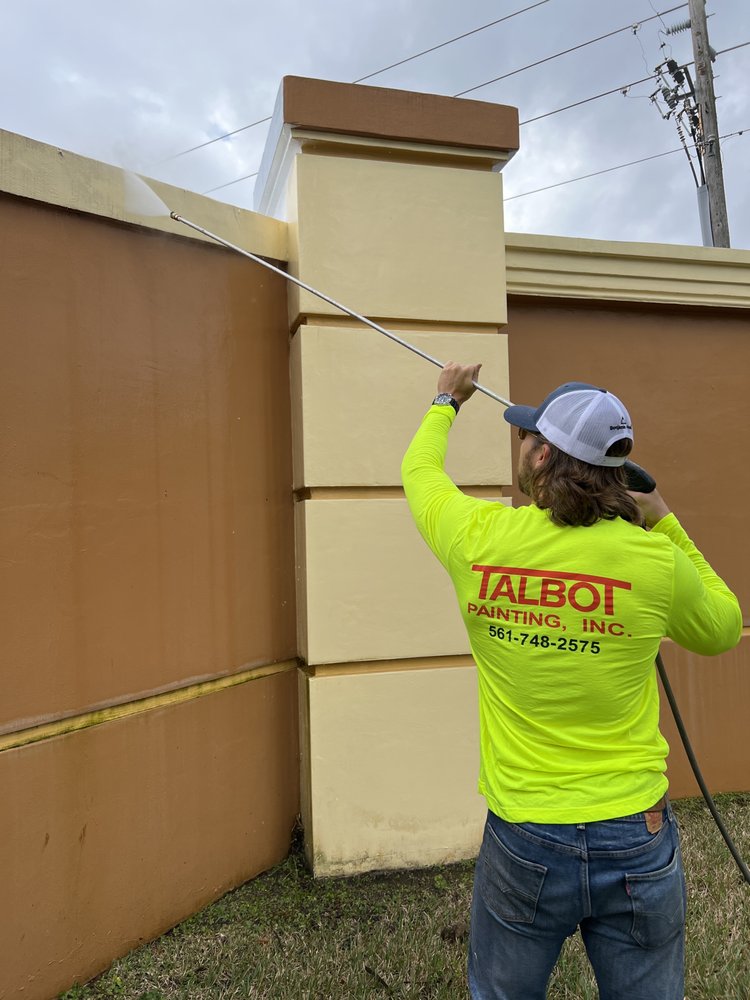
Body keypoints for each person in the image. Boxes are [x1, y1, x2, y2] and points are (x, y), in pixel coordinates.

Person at [401, 362, 742, 1000]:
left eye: (526, 436)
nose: (520, 446)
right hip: (634, 837)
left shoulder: (480, 538)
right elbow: (723, 627)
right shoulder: (654, 561)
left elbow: (420, 477)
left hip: (524, 832)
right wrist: (663, 520)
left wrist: (445, 402)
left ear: (542, 456)